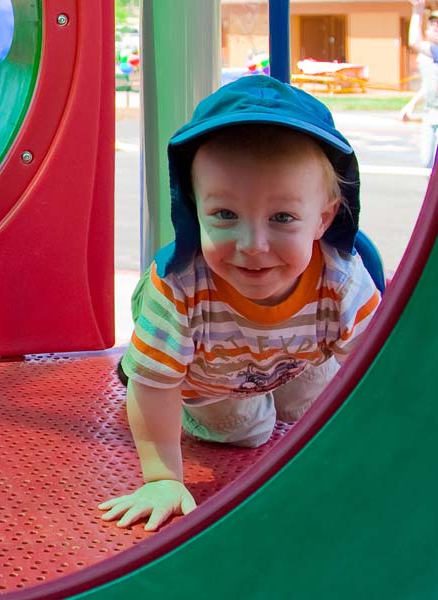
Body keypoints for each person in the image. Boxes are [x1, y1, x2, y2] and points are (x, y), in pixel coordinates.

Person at [98, 75, 382, 531]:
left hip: (294, 358)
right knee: (248, 432)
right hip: (212, 374)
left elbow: (376, 375)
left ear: (323, 218)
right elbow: (155, 388)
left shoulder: (341, 281)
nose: (253, 244)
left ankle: (265, 383)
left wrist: (378, 456)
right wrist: (162, 478)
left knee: (318, 410)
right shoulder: (181, 288)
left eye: (283, 217)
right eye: (225, 215)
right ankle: (148, 354)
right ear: (195, 209)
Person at [405, 1, 438, 168]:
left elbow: (414, 42)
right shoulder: (428, 56)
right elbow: (429, 86)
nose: (436, 27)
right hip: (429, 113)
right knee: (426, 160)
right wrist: (412, 104)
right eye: (433, 23)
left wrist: (417, 10)